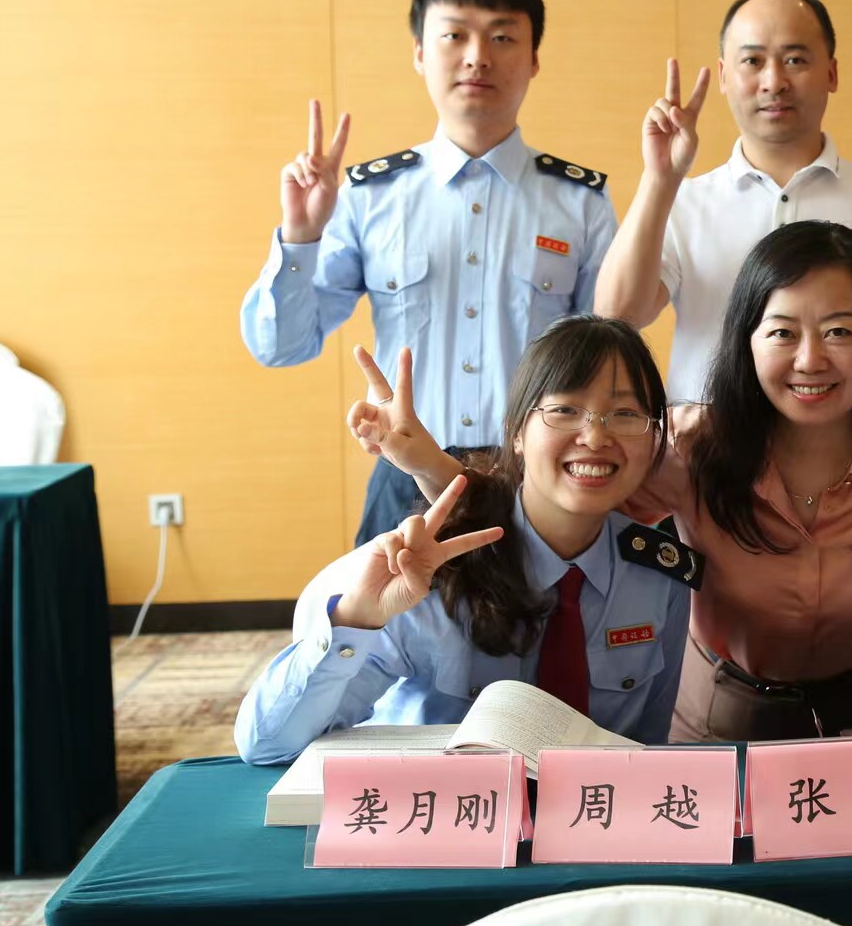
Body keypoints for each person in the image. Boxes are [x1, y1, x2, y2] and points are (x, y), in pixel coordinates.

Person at [355, 221, 852, 742]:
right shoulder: (690, 446)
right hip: (717, 726)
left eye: (839, 331)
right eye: (783, 332)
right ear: (748, 341)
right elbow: (546, 504)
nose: (810, 359)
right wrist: (428, 462)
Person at [240, 0, 617, 544]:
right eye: (454, 35)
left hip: (537, 479)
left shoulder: (580, 202)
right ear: (420, 52)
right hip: (403, 477)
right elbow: (280, 347)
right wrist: (301, 235)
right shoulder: (369, 196)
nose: (477, 56)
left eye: (502, 37)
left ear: (534, 59)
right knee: (390, 609)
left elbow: (611, 355)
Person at [236, 316, 698, 764]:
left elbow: (647, 753)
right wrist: (357, 618)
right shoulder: (432, 567)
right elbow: (269, 745)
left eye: (625, 414)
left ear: (654, 440)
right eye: (565, 411)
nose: (595, 437)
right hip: (437, 812)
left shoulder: (660, 579)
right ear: (516, 433)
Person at [594, 0, 852, 403]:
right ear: (724, 76)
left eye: (795, 59)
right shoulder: (683, 202)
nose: (774, 82)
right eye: (753, 61)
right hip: (708, 439)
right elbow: (617, 315)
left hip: (849, 438)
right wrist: (659, 179)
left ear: (831, 73)